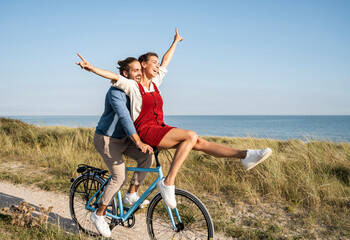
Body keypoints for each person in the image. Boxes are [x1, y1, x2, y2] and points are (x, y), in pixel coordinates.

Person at [76, 28, 272, 212]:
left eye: (157, 62)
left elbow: (166, 60)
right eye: (153, 62)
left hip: (159, 127)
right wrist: (91, 67)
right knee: (191, 135)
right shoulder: (132, 86)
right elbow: (112, 75)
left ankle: (245, 155)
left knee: (198, 142)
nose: (157, 65)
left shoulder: (156, 82)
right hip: (145, 130)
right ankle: (168, 182)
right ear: (143, 65)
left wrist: (175, 42)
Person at [84, 56, 154, 237]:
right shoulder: (116, 91)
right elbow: (124, 117)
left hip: (123, 139)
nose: (139, 73)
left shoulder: (137, 90)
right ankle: (98, 214)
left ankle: (131, 194)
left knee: (147, 157)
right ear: (125, 73)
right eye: (135, 70)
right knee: (119, 176)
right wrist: (138, 142)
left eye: (140, 69)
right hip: (107, 139)